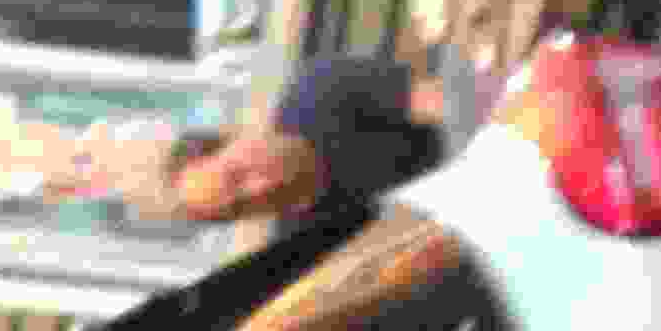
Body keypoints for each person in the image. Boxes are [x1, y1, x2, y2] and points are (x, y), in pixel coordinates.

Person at [147, 51, 448, 232]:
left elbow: (452, 107)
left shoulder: (322, 91)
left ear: (234, 136)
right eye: (241, 207)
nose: (259, 190)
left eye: (237, 176)